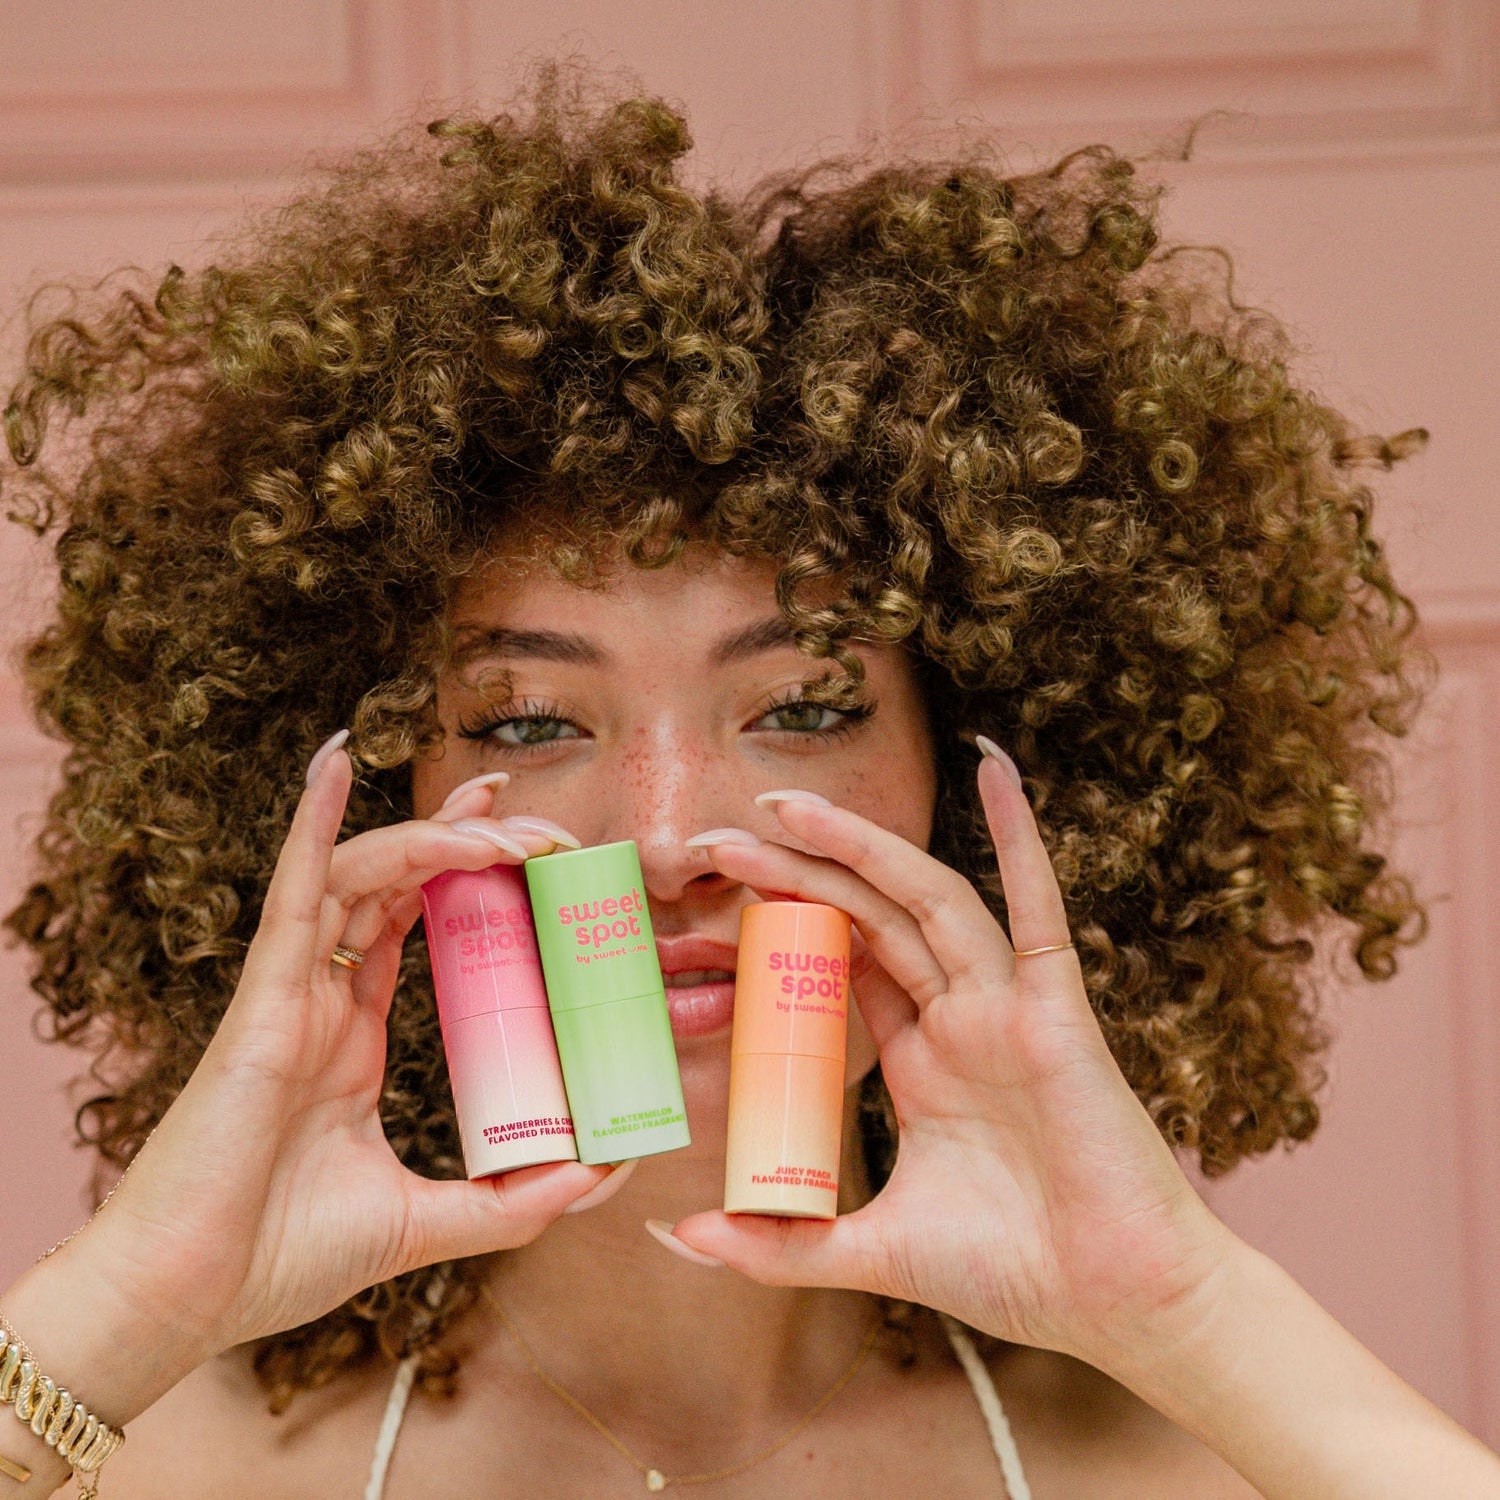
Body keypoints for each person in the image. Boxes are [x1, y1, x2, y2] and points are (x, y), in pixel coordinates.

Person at [1, 72, 1496, 1499]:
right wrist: (129, 1306)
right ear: (384, 804)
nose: (668, 840)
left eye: (802, 706)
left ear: (962, 794)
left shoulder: (1209, 1459)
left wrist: (1189, 1311)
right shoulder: (137, 1456)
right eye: (525, 722)